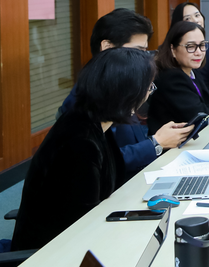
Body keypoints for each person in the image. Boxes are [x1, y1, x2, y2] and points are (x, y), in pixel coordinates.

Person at [12, 48, 156, 250]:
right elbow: (82, 226)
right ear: (128, 93)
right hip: (52, 253)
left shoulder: (96, 122)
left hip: (83, 235)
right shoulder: (80, 142)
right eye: (149, 88)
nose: (149, 94)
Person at [59, 9, 192, 179]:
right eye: (137, 51)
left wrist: (160, 138)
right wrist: (156, 143)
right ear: (107, 47)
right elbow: (101, 163)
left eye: (145, 52)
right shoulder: (85, 99)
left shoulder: (123, 87)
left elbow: (133, 142)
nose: (143, 59)